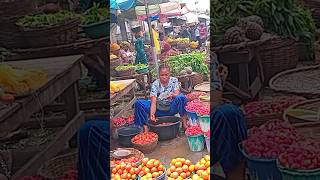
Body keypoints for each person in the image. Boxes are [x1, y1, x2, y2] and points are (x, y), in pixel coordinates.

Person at [211, 52, 247, 180]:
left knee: (229, 114)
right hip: (181, 121)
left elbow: (215, 100)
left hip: (207, 124)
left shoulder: (209, 58)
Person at [134, 63, 188, 131]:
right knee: (138, 103)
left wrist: (172, 95)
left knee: (181, 97)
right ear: (159, 75)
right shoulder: (155, 84)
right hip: (158, 109)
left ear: (169, 74)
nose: (164, 77)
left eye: (166, 74)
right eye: (162, 75)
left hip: (171, 108)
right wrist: (152, 114)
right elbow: (153, 102)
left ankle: (184, 123)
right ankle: (145, 128)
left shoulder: (174, 80)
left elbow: (177, 93)